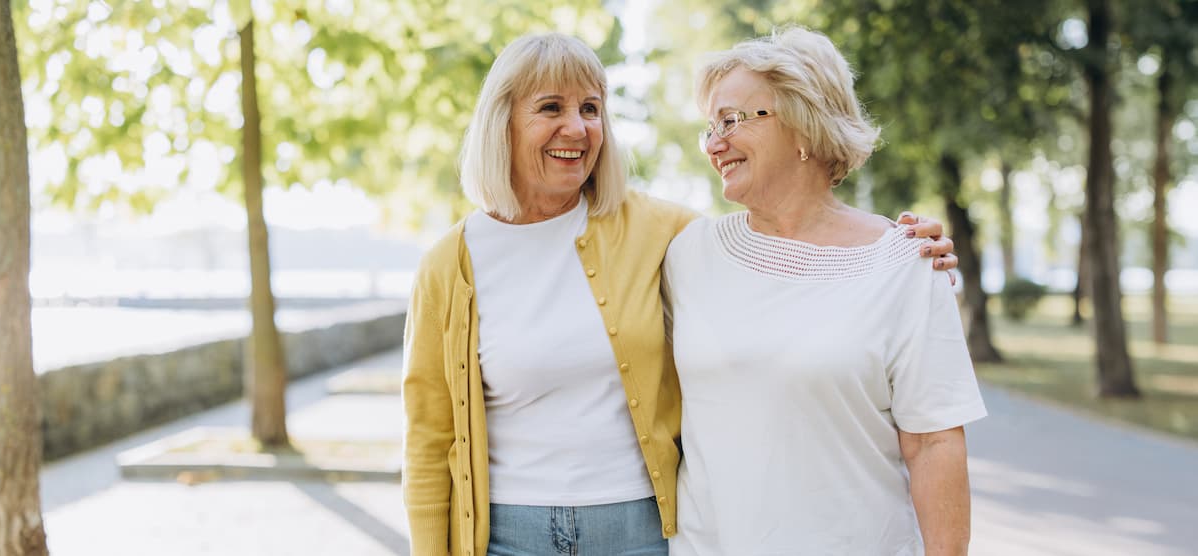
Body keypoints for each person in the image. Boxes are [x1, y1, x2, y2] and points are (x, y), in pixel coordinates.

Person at [402, 32, 958, 556]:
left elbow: (794, 231)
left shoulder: (663, 233)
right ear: (502, 122)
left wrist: (901, 244)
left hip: (640, 529)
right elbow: (429, 440)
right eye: (551, 108)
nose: (575, 127)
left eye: (591, 109)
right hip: (511, 533)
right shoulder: (450, 265)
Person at [664, 27, 987, 556]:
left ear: (803, 126)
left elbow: (933, 444)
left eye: (732, 120)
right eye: (709, 127)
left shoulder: (905, 262)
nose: (714, 143)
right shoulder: (688, 254)